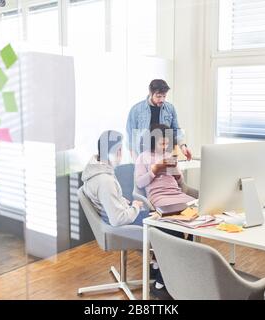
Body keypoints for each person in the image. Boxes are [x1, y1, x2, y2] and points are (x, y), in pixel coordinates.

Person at [82, 130, 183, 299]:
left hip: (120, 217)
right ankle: (160, 285)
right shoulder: (104, 180)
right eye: (121, 149)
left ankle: (156, 267)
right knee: (174, 232)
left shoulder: (96, 168)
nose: (122, 154)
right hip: (122, 225)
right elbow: (117, 219)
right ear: (116, 151)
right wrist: (135, 207)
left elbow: (109, 200)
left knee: (165, 220)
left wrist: (123, 201)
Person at [126, 79, 192, 160]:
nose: (162, 100)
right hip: (145, 155)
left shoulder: (170, 109)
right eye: (158, 96)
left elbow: (176, 130)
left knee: (169, 172)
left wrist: (183, 146)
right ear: (150, 93)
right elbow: (130, 137)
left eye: (164, 96)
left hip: (166, 155)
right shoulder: (136, 110)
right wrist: (136, 161)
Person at [135, 124, 196, 208]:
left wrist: (175, 171)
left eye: (167, 143)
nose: (165, 147)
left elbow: (181, 182)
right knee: (181, 209)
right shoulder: (143, 157)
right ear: (153, 142)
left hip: (176, 194)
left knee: (196, 207)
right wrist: (156, 168)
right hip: (158, 196)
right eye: (162, 144)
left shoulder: (168, 155)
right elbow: (139, 183)